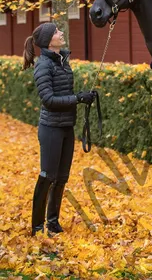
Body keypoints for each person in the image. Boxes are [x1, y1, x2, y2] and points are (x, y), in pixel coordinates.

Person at [23, 22, 95, 236]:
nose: (61, 32)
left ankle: (53, 223)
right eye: (56, 32)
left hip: (66, 127)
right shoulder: (43, 65)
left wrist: (83, 97)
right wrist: (77, 98)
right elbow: (48, 99)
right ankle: (37, 227)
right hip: (51, 128)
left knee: (62, 177)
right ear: (48, 41)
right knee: (47, 176)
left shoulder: (62, 61)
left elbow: (63, 93)